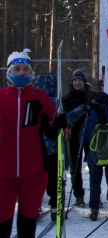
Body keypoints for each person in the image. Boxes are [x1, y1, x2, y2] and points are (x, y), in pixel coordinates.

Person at [0, 49, 58, 238]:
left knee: (28, 220)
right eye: (17, 68)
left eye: (26, 69)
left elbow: (52, 130)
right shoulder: (0, 97)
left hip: (33, 171)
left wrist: (58, 123)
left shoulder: (40, 97)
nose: (22, 73)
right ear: (9, 71)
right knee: (2, 220)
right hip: (3, 172)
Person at [59, 69, 97, 208]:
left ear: (84, 81)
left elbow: (101, 110)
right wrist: (83, 108)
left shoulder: (92, 95)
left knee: (94, 165)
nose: (77, 82)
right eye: (75, 80)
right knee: (75, 167)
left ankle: (95, 195)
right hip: (73, 135)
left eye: (79, 80)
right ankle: (78, 194)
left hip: (91, 135)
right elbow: (68, 117)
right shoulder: (67, 98)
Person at [81, 92, 108, 221]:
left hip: (93, 155)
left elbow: (84, 136)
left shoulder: (89, 117)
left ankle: (94, 209)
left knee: (94, 182)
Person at [34, 73, 59, 221]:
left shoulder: (34, 100)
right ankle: (55, 204)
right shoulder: (53, 102)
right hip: (48, 147)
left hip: (38, 147)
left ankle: (37, 205)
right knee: (52, 178)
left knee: (39, 179)